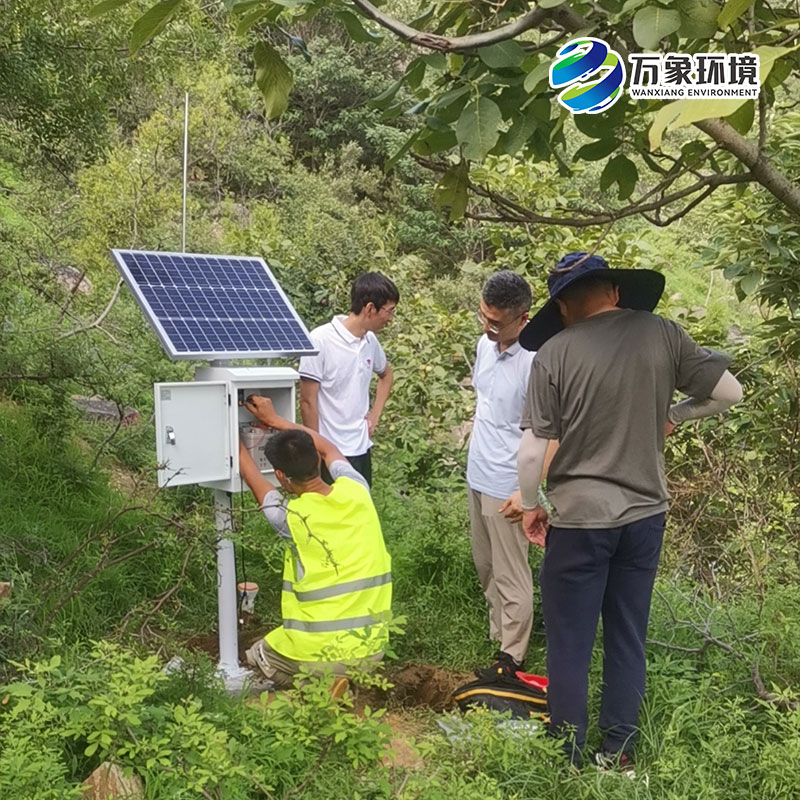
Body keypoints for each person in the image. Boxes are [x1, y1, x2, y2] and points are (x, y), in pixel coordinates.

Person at [516, 252, 742, 769]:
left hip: (578, 521)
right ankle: (618, 752)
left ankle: (568, 754)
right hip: (644, 515)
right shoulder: (662, 333)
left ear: (563, 308)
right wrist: (673, 415)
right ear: (615, 291)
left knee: (570, 641)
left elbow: (531, 453)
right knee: (627, 635)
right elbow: (730, 392)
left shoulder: (554, 353)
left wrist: (531, 505)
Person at [239, 395, 392, 689]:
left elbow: (253, 476)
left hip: (320, 654)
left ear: (281, 476)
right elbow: (329, 447)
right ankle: (349, 683)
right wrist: (276, 420)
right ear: (318, 461)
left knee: (259, 654)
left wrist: (231, 431)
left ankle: (320, 688)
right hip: (372, 649)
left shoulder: (290, 518)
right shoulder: (357, 489)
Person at [467, 271, 536, 678]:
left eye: (495, 322)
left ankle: (513, 656)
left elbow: (545, 433)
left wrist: (528, 492)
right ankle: (499, 635)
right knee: (486, 565)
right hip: (478, 474)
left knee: (511, 573)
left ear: (523, 318)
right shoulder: (484, 346)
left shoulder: (535, 360)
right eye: (483, 317)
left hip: (508, 483)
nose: (486, 328)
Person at [298, 272, 399, 486]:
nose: (390, 318)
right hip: (329, 451)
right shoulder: (320, 340)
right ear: (370, 308)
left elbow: (386, 375)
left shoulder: (370, 341)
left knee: (361, 505)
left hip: (360, 447)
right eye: (389, 311)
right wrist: (315, 449)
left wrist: (375, 414)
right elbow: (307, 401)